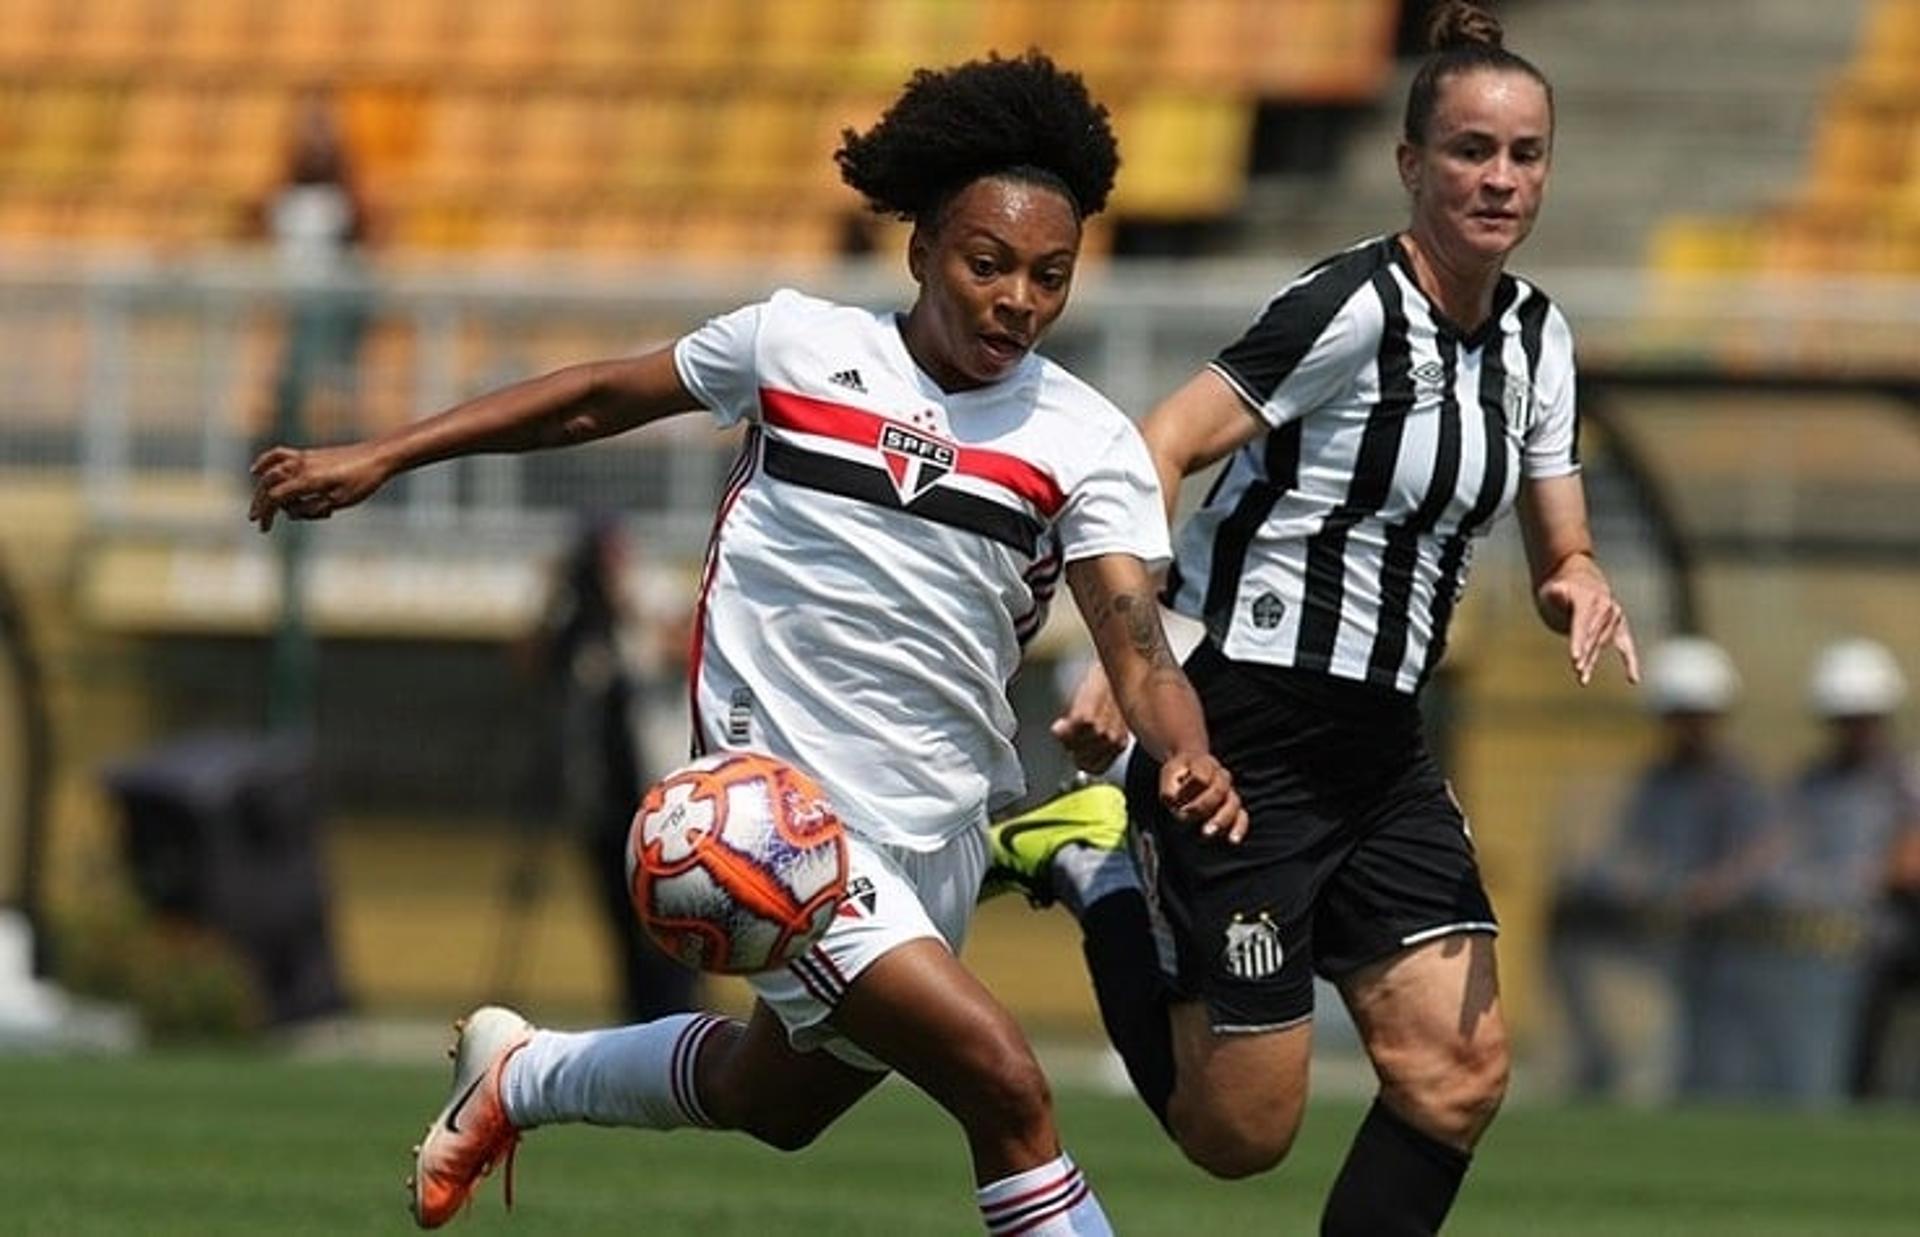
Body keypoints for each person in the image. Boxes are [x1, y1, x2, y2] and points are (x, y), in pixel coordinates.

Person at [248, 52, 1244, 1235]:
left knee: (775, 1098)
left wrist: (1184, 747)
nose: (1018, 299)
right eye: (988, 265)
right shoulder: (794, 346)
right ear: (922, 246)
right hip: (771, 816)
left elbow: (1136, 643)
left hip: (936, 829)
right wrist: (381, 453)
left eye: (1050, 276)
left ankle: (519, 1075)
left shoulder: (1083, 440)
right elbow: (593, 399)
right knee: (1008, 1088)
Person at [988, 6, 1638, 1233]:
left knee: (1457, 1077)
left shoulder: (1539, 338)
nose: (1500, 178)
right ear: (1410, 164)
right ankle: (1095, 866)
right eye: (1470, 151)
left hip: (1382, 746)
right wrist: (1128, 652)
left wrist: (1581, 580)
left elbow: (1564, 533)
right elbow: (1159, 445)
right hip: (1245, 734)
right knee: (1240, 1136)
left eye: (1525, 154)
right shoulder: (1348, 306)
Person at [1546, 637, 1771, 1099]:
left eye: (1698, 715)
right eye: (1680, 716)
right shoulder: (1656, 783)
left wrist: (1710, 890)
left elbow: (1759, 854)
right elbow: (1635, 847)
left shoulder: (1737, 785)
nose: (1689, 728)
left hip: (1727, 947)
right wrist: (1632, 879)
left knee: (1717, 1062)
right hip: (1666, 939)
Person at [525, 516, 696, 1022]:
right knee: (621, 929)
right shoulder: (577, 618)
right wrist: (556, 600)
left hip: (662, 798)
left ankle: (681, 1021)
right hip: (601, 800)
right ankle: (637, 1023)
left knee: (677, 925)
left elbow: (686, 651)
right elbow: (531, 664)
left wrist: (628, 610)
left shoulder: (653, 593)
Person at [1744, 637, 1918, 1103]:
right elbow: (1775, 851)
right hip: (1824, 940)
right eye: (1846, 720)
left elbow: (1908, 864)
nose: (1855, 731)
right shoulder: (1810, 784)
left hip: (1896, 936)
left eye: (1864, 720)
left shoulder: (1906, 781)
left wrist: (1881, 876)